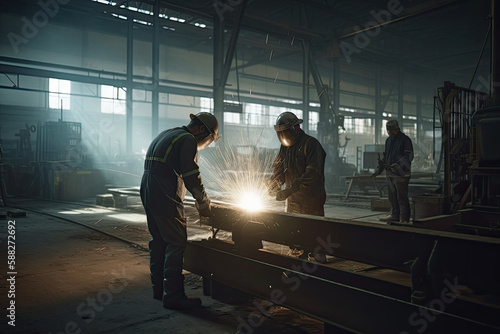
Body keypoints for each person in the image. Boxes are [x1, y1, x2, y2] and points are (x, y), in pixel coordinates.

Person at [140, 112, 221, 309]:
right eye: (210, 139)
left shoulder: (168, 134)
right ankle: (174, 296)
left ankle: (158, 290)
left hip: (148, 187)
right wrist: (203, 201)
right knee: (176, 241)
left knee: (159, 239)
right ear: (202, 130)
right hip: (164, 189)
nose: (207, 143)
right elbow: (191, 174)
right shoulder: (187, 140)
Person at [267, 112, 327, 261]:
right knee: (294, 229)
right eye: (280, 133)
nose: (283, 136)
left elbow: (312, 174)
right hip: (292, 198)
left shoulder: (311, 144)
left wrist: (290, 189)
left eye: (285, 132)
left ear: (296, 129)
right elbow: (279, 170)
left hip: (311, 198)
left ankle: (318, 253)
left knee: (313, 227)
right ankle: (299, 253)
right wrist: (274, 184)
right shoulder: (284, 148)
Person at [372, 119, 414, 224]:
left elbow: (409, 155)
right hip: (390, 173)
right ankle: (395, 215)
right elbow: (387, 156)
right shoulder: (388, 141)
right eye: (388, 131)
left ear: (398, 129)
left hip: (402, 174)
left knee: (402, 196)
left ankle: (404, 218)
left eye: (392, 131)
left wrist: (399, 165)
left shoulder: (405, 140)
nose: (390, 133)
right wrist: (381, 166)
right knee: (392, 196)